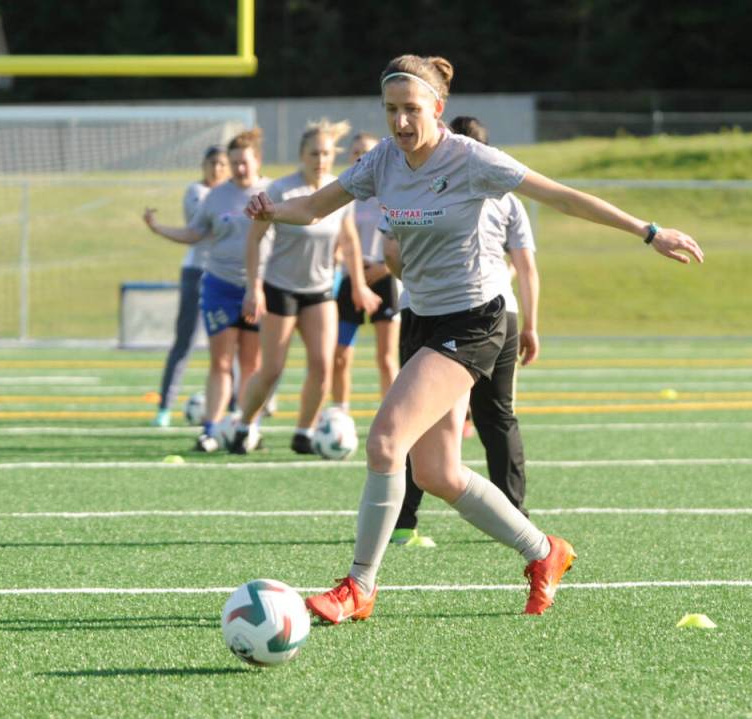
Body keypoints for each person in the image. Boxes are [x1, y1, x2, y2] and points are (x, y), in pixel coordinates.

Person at [244, 54, 703, 619]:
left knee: (385, 441)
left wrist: (647, 231)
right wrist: (271, 210)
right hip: (423, 319)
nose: (400, 121)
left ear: (437, 108)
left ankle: (359, 586)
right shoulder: (383, 160)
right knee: (437, 472)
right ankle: (545, 552)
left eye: (412, 109)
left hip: (475, 321)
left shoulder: (471, 159)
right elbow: (315, 207)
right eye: (391, 110)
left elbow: (560, 195)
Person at [389, 116, 539, 550]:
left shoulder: (419, 185)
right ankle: (515, 517)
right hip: (496, 314)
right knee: (495, 418)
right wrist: (531, 323)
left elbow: (390, 252)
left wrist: (420, 277)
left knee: (411, 420)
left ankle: (404, 523)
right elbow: (526, 267)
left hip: (451, 312)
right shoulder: (506, 197)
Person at [230, 120, 381, 455]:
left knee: (323, 365)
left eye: (326, 153)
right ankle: (244, 425)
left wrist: (358, 284)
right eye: (314, 153)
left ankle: (304, 432)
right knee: (271, 370)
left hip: (320, 291)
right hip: (280, 288)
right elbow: (254, 240)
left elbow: (350, 241)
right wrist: (254, 288)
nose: (320, 160)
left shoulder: (339, 190)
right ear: (302, 155)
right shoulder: (282, 190)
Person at [143, 129, 271, 452]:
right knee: (221, 362)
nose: (239, 169)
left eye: (244, 162)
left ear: (257, 160)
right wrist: (158, 229)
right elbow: (194, 233)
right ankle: (211, 430)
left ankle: (247, 428)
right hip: (220, 285)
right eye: (234, 162)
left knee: (251, 363)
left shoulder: (273, 192)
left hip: (259, 288)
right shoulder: (215, 197)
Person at [151, 145, 231, 428]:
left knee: (230, 346)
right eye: (212, 163)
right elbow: (203, 229)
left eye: (222, 164)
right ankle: (164, 406)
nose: (217, 169)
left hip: (229, 275)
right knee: (184, 342)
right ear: (203, 166)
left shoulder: (234, 193)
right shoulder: (197, 192)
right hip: (198, 272)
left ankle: (235, 407)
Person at [329, 132, 401, 412]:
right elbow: (336, 242)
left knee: (386, 358)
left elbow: (404, 241)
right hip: (352, 278)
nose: (361, 157)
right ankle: (340, 416)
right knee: (340, 355)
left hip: (385, 278)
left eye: (367, 152)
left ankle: (393, 417)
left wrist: (385, 268)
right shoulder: (343, 196)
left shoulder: (392, 191)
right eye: (355, 152)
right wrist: (350, 266)